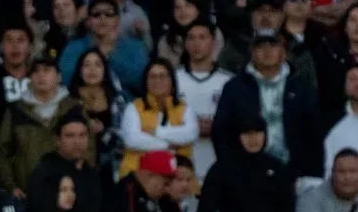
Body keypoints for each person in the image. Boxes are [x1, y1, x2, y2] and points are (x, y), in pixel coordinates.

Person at [213, 28, 323, 182]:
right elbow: (221, 131)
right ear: (252, 52)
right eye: (261, 46)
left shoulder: (301, 87)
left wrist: (312, 174)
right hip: (246, 174)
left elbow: (314, 134)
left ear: (284, 52)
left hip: (293, 173)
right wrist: (231, 170)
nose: (267, 51)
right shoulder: (235, 87)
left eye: (273, 45)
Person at [198, 115, 302, 212]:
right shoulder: (221, 170)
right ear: (237, 135)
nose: (253, 138)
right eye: (247, 133)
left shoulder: (277, 169)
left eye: (258, 132)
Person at [0, 56, 91, 198]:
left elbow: (89, 148)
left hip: (71, 194)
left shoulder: (75, 108)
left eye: (46, 70)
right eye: (36, 71)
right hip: (27, 193)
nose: (41, 75)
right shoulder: (16, 110)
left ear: (59, 77)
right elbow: (2, 151)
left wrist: (84, 183)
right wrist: (11, 186)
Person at [23, 111, 103, 212]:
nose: (77, 141)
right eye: (70, 136)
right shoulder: (45, 172)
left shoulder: (91, 174)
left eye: (82, 135)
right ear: (57, 140)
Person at [118, 59, 198, 178]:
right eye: (153, 77)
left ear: (172, 81)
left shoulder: (184, 108)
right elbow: (132, 139)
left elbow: (190, 134)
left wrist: (156, 132)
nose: (158, 80)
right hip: (139, 175)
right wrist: (168, 146)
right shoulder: (134, 107)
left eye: (163, 76)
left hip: (177, 177)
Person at [175, 20, 232, 182]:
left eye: (202, 37)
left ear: (213, 42)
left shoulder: (229, 81)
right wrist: (191, 127)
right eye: (191, 38)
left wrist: (217, 127)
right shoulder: (172, 79)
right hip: (180, 170)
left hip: (218, 165)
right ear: (185, 44)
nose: (196, 43)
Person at [57, 0, 149, 98]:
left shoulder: (134, 47)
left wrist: (109, 55)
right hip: (82, 102)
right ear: (88, 21)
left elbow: (141, 81)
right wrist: (101, 51)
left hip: (126, 103)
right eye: (96, 14)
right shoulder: (74, 47)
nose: (102, 18)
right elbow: (65, 79)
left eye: (109, 14)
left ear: (117, 20)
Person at [67, 48, 127, 185]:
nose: (92, 70)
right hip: (75, 167)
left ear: (105, 69)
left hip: (110, 167)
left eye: (97, 65)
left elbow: (124, 139)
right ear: (79, 70)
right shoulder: (68, 100)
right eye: (87, 65)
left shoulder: (117, 101)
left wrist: (103, 133)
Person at [155, 0, 223, 67]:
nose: (183, 11)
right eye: (177, 7)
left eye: (188, 6)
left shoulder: (214, 33)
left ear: (198, 8)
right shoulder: (165, 41)